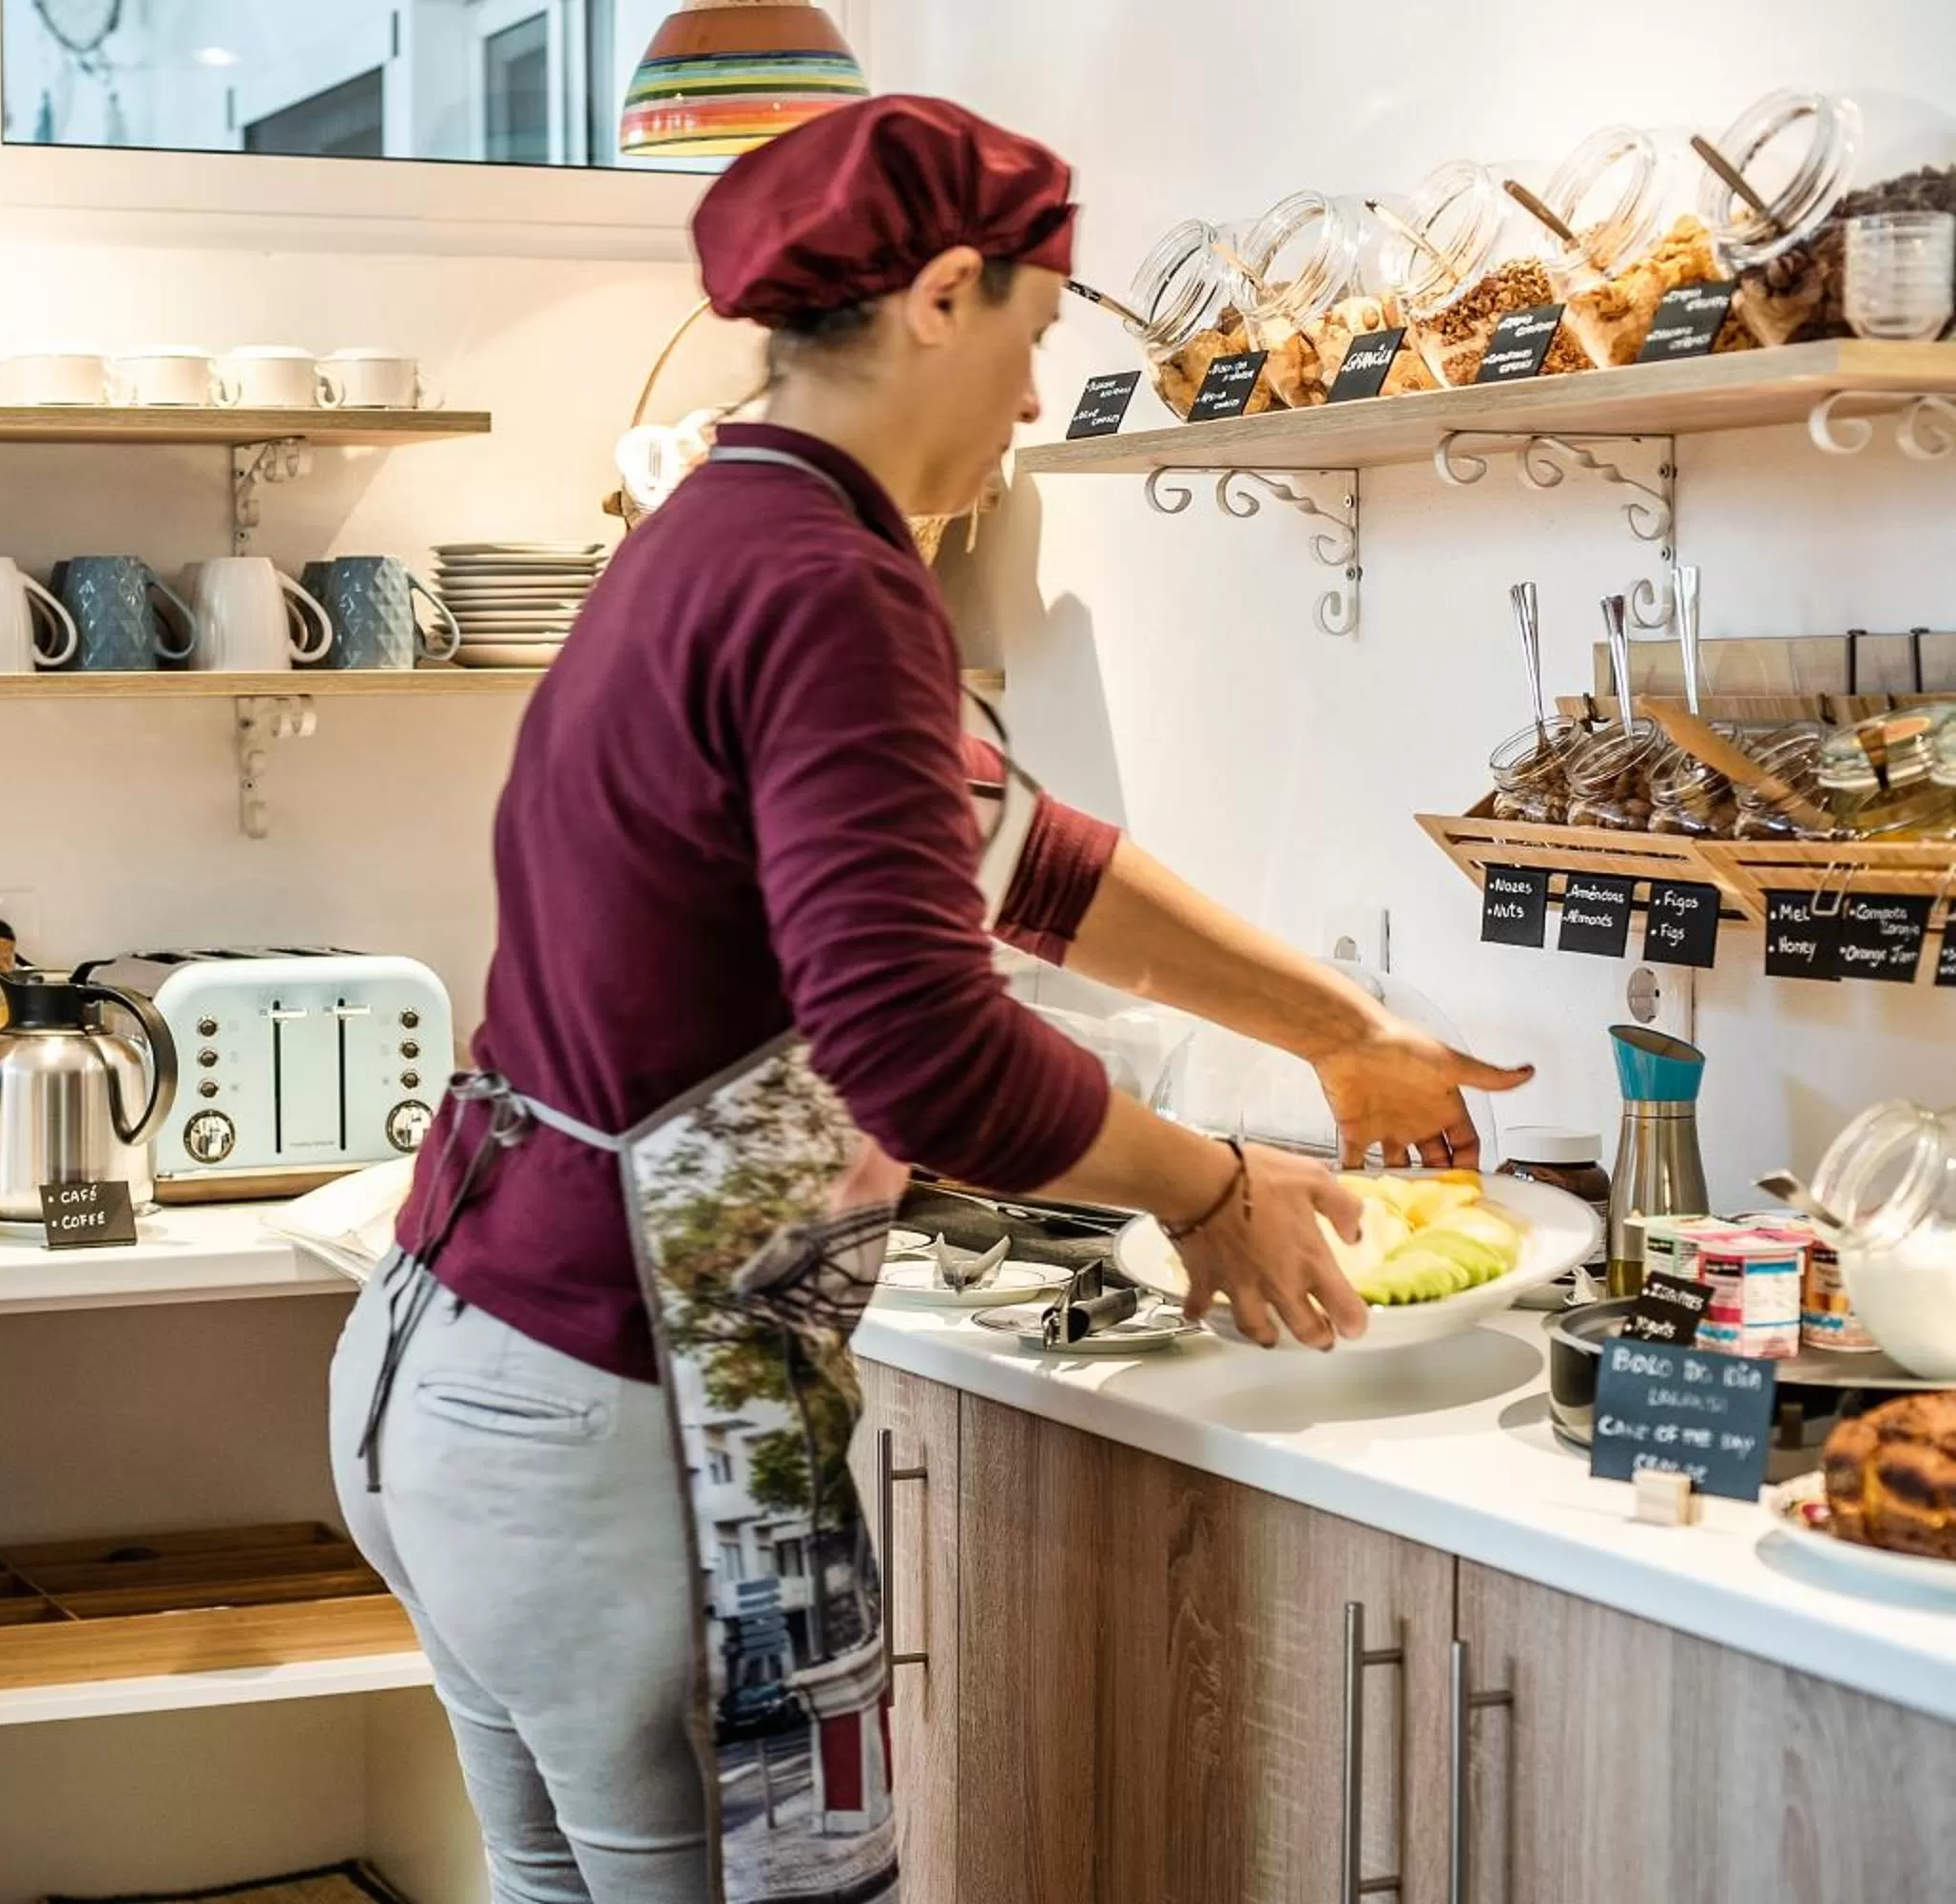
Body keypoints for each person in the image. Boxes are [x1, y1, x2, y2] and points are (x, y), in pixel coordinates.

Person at [328, 95, 1531, 1904]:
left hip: (465, 1368)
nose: (1037, 403)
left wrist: (1337, 1032)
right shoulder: (829, 582)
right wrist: (1212, 1185)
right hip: (617, 1406)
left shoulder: (720, 532)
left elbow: (1021, 857)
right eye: (1039, 338)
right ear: (944, 297)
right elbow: (919, 1042)